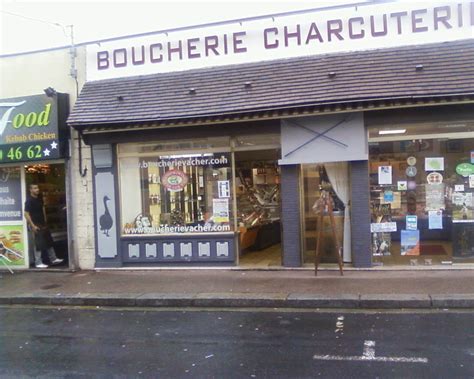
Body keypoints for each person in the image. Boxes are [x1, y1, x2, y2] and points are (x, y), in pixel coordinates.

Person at [24, 183, 63, 268]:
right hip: (35, 224)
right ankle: (38, 262)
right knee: (38, 243)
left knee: (48, 240)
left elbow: (43, 209)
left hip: (42, 223)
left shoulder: (39, 199)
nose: (37, 189)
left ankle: (53, 258)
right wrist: (33, 225)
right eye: (34, 188)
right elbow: (26, 214)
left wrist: (45, 221)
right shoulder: (29, 200)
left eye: (37, 188)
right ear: (30, 190)